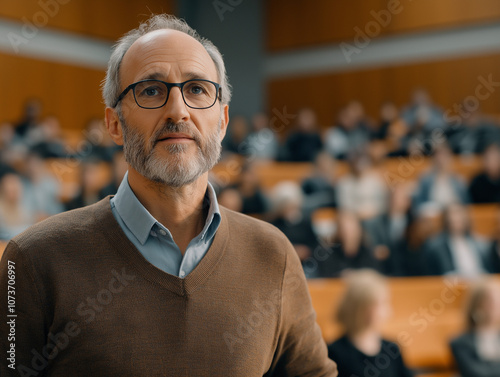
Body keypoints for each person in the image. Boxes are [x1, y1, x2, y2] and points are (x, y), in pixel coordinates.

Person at [0, 14, 337, 377]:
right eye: (150, 90)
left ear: (222, 121)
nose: (178, 110)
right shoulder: (33, 261)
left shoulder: (273, 254)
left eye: (196, 89)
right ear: (114, 124)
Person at [328, 269, 413, 377]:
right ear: (361, 307)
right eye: (381, 303)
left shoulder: (392, 349)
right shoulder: (335, 353)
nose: (387, 310)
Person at [424, 203, 491, 277]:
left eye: (460, 215)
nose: (457, 219)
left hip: (479, 281)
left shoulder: (480, 243)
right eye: (453, 215)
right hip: (451, 284)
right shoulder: (436, 246)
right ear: (446, 219)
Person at [450, 278, 500, 377]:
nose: (497, 305)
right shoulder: (460, 343)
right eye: (492, 301)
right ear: (478, 304)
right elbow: (475, 373)